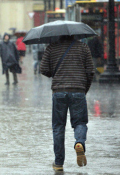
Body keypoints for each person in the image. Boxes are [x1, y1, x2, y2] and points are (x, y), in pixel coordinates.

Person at [40, 35, 94, 172]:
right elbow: (90, 72)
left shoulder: (51, 48)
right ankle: (79, 142)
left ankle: (58, 163)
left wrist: (57, 72)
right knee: (80, 122)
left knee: (58, 127)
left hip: (59, 91)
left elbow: (43, 69)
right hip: (78, 90)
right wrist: (84, 89)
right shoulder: (83, 47)